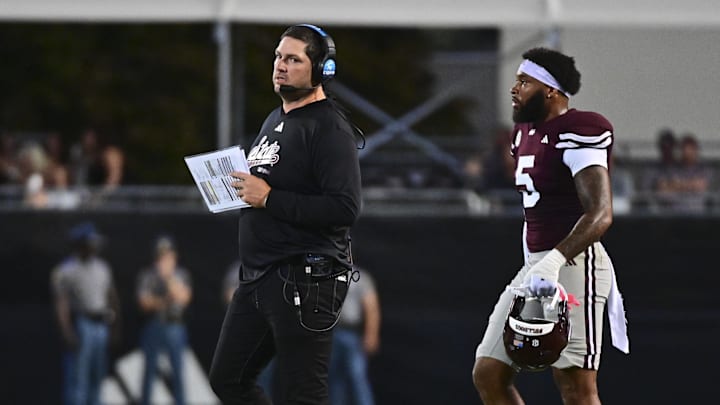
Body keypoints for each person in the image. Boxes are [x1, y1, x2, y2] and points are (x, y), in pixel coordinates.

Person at [209, 23, 362, 405]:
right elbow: (268, 189)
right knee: (228, 379)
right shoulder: (274, 120)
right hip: (259, 276)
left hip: (304, 278)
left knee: (303, 395)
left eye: (293, 59)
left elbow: (345, 207)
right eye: (279, 56)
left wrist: (269, 198)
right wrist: (242, 191)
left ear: (321, 68)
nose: (280, 65)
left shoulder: (330, 127)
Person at [472, 47, 629, 405]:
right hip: (536, 266)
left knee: (575, 386)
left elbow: (601, 213)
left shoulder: (580, 128)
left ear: (551, 91)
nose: (515, 89)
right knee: (489, 372)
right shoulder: (522, 133)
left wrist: (554, 261)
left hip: (576, 262)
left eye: (524, 82)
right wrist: (539, 264)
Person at [51, 222, 120, 405]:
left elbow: (112, 298)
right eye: (90, 242)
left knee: (98, 377)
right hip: (82, 324)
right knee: (78, 378)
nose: (94, 246)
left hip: (101, 325)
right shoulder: (67, 270)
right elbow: (62, 304)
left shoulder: (102, 267)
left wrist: (115, 327)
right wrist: (66, 331)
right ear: (81, 244)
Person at [136, 235, 193, 405]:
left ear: (174, 257)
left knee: (178, 372)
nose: (164, 260)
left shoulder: (181, 275)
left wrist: (168, 278)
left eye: (167, 256)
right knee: (149, 372)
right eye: (161, 257)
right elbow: (143, 303)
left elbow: (184, 298)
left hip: (175, 325)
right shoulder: (148, 275)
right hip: (154, 324)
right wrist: (162, 301)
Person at [329, 267, 381, 405]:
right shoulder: (330, 276)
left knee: (357, 376)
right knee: (334, 379)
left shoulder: (360, 278)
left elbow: (371, 307)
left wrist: (371, 334)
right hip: (333, 332)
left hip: (351, 333)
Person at [655, 134, 712, 213]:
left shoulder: (703, 169)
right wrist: (690, 185)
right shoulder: (671, 169)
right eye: (683, 149)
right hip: (673, 214)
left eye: (690, 149)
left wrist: (674, 185)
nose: (686, 152)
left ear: (696, 150)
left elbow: (700, 187)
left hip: (696, 214)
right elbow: (662, 189)